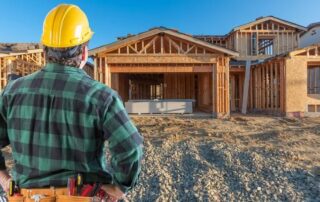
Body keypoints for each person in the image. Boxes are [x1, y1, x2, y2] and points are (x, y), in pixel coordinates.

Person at [0, 4, 143, 201]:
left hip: (25, 197)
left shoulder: (12, 92)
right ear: (84, 53)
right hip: (83, 196)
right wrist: (119, 188)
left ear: (44, 51)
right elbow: (130, 147)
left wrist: (4, 179)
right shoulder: (102, 96)